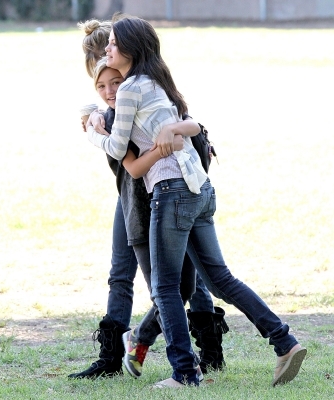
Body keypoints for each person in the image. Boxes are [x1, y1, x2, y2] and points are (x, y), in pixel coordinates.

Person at [86, 14, 307, 388]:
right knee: (220, 278)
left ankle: (185, 373)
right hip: (200, 189)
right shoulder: (158, 81)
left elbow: (121, 151)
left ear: (130, 49)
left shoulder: (129, 91)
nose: (107, 49)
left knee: (167, 288)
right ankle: (284, 341)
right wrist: (171, 130)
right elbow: (191, 126)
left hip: (170, 194)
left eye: (113, 44)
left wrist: (94, 130)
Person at [69, 20, 229, 380]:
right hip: (134, 195)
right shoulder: (121, 101)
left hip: (159, 195)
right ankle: (126, 352)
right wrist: (97, 116)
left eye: (114, 79)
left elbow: (186, 126)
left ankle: (185, 355)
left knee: (175, 282)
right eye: (101, 84)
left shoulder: (139, 92)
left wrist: (96, 126)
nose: (110, 89)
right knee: (159, 278)